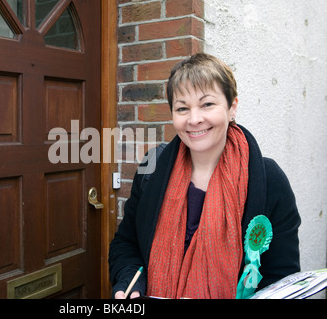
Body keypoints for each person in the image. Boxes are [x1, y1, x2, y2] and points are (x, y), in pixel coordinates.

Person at [109, 53, 301, 299]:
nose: (194, 119)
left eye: (207, 104)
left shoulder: (268, 179)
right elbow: (126, 243)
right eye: (182, 108)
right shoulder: (153, 168)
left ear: (232, 107)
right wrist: (129, 282)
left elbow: (282, 278)